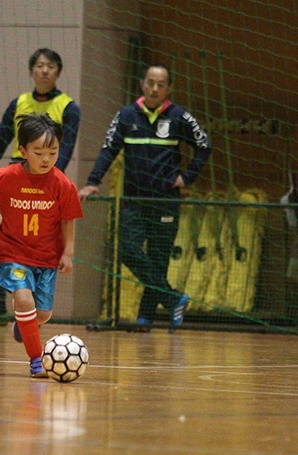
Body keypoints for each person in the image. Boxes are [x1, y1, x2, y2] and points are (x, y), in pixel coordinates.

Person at [79, 64, 211, 331]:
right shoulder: (127, 115)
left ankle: (144, 320)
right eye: (150, 82)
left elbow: (204, 147)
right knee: (128, 250)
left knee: (159, 259)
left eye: (160, 84)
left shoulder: (179, 117)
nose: (154, 88)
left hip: (166, 201)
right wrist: (93, 181)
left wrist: (187, 178)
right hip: (134, 201)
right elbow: (108, 149)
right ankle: (173, 299)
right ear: (142, 84)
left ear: (169, 89)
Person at [0, 48, 81, 327]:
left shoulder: (68, 107)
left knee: (43, 247)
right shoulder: (18, 103)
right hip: (18, 180)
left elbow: (64, 151)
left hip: (47, 184)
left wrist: (53, 179)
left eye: (50, 66)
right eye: (39, 65)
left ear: (58, 72)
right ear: (31, 71)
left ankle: (30, 315)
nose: (44, 70)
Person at [0, 113, 83, 378]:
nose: (46, 158)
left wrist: (68, 253)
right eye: (39, 152)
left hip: (46, 256)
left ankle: (23, 324)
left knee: (43, 313)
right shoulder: (7, 176)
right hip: (11, 252)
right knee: (24, 299)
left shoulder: (63, 184)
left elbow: (68, 220)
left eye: (53, 152)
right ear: (23, 151)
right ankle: (36, 360)